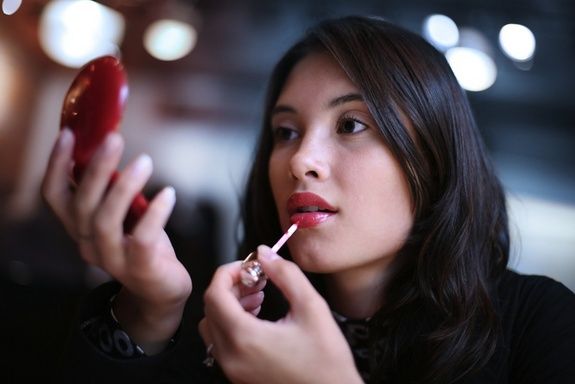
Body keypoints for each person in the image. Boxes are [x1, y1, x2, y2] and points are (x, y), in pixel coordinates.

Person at [42, 15, 575, 383]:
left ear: (435, 156)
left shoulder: (541, 326)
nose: (300, 161)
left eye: (350, 123)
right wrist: (148, 311)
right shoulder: (232, 324)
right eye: (285, 132)